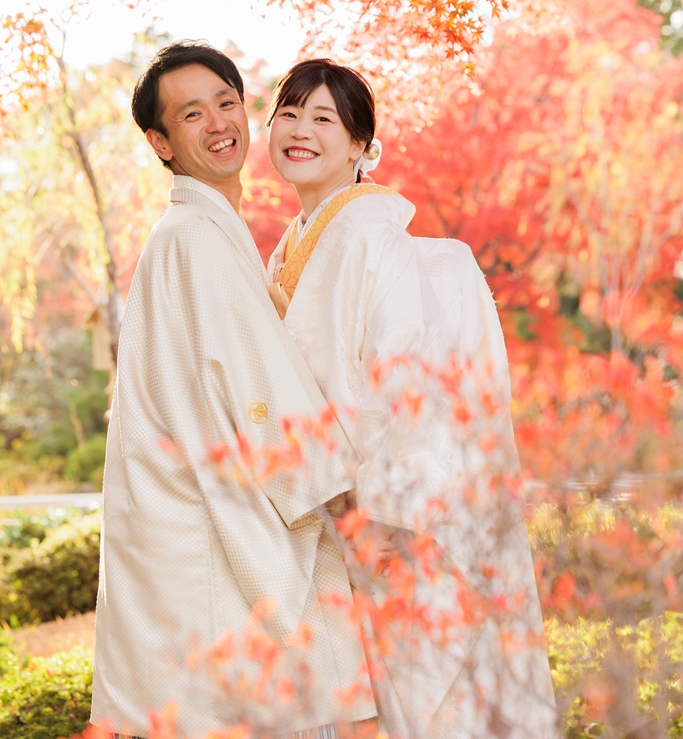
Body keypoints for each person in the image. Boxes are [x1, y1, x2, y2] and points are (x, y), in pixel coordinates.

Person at [90, 43, 377, 739]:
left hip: (184, 533)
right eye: (192, 114)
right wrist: (348, 503)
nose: (219, 122)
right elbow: (258, 390)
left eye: (226, 102)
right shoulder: (194, 237)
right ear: (160, 142)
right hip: (204, 537)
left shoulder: (201, 232)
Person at [266, 58, 559, 739]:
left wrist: (381, 509)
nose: (300, 130)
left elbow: (405, 379)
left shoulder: (371, 238)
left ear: (361, 147)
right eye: (289, 113)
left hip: (378, 512)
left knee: (412, 696)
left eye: (323, 119)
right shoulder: (293, 244)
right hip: (327, 504)